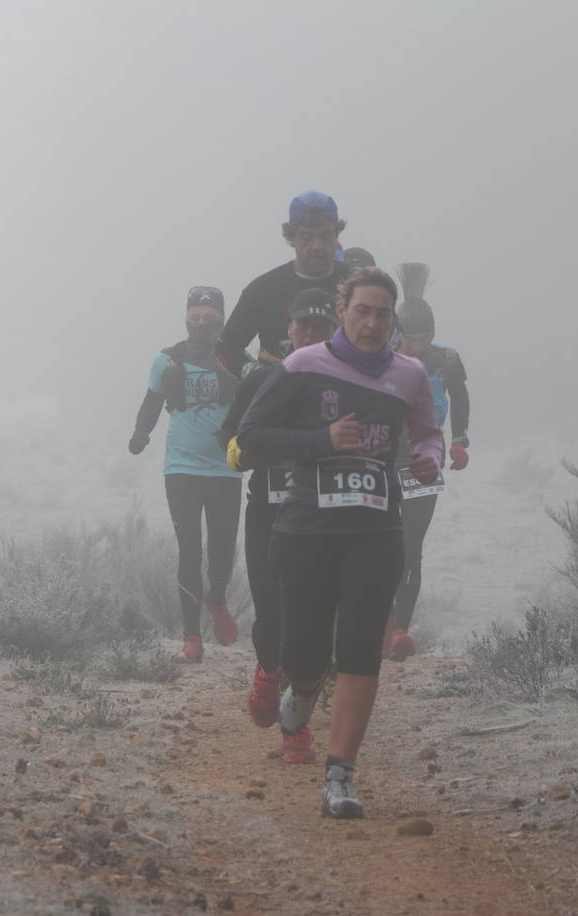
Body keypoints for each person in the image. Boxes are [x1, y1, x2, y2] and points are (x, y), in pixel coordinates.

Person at [236, 267, 442, 819]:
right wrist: (320, 440)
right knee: (304, 653)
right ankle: (301, 687)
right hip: (305, 529)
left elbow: (426, 432)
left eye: (383, 314)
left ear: (393, 319)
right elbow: (251, 437)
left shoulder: (410, 374)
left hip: (376, 527)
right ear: (342, 310)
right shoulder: (304, 366)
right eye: (362, 311)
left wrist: (430, 460)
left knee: (358, 649)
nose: (372, 323)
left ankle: (339, 778)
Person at [220, 288, 338, 764]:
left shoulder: (344, 384)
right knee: (271, 612)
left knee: (313, 623)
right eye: (303, 326)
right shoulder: (260, 381)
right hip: (268, 512)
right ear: (289, 331)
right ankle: (268, 672)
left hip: (324, 515)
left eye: (321, 327)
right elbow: (228, 437)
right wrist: (244, 453)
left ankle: (296, 732)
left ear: (336, 330)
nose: (311, 334)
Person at [129, 286, 243, 662]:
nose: (201, 323)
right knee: (190, 550)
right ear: (186, 318)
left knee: (222, 548)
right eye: (195, 316)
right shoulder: (167, 360)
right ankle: (191, 638)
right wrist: (141, 433)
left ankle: (218, 597)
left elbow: (258, 401)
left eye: (209, 318)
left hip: (225, 469)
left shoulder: (237, 360)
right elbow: (151, 401)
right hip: (181, 469)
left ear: (221, 321)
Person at [386, 263, 472, 660]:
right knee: (381, 543)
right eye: (413, 338)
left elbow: (460, 399)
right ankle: (378, 621)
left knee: (411, 547)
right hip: (382, 464)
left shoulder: (447, 360)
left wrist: (459, 440)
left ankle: (399, 628)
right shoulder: (381, 359)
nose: (420, 345)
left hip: (425, 463)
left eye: (427, 337)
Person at [216, 190, 352, 377]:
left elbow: (388, 334)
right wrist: (254, 374)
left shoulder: (356, 285)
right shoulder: (263, 289)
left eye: (325, 236)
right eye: (306, 237)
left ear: (336, 235)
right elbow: (226, 347)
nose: (317, 245)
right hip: (280, 398)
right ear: (291, 238)